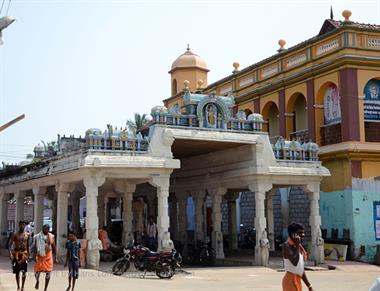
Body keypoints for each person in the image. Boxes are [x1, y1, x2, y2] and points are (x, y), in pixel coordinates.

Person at [282, 223, 314, 291]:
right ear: (293, 234)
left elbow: (300, 269)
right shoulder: (286, 246)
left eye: (303, 233)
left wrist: (309, 286)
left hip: (297, 280)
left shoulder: (299, 247)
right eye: (300, 233)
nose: (303, 235)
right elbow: (295, 262)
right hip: (289, 281)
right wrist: (297, 245)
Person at [33, 224, 57, 291]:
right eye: (44, 228)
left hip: (48, 256)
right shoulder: (37, 236)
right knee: (37, 271)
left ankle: (45, 289)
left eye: (47, 229)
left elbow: (54, 247)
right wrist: (34, 256)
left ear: (49, 230)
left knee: (48, 272)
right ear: (42, 229)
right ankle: (37, 281)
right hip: (40, 255)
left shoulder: (51, 236)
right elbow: (35, 247)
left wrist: (55, 257)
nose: (46, 230)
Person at [9, 220, 30, 291]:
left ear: (25, 226)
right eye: (21, 225)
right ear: (19, 225)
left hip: (24, 254)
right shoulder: (15, 234)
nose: (22, 226)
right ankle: (18, 286)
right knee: (17, 271)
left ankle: (22, 287)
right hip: (17, 254)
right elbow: (10, 245)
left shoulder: (27, 235)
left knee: (24, 271)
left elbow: (27, 246)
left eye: (23, 225)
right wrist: (10, 254)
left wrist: (29, 255)